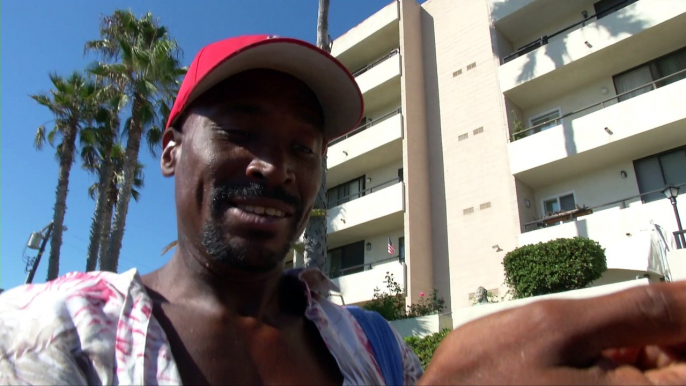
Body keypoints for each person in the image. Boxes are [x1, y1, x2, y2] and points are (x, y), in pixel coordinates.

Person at [3, 35, 686, 385]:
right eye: (241, 130)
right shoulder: (48, 333)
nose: (277, 167)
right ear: (172, 150)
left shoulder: (375, 347)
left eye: (304, 146)